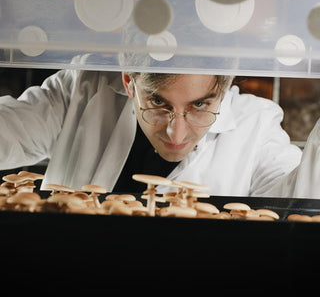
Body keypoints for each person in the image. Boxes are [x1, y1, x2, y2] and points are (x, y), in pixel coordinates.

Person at [0, 54, 313, 198]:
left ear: (226, 84)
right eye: (158, 103)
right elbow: (8, 131)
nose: (176, 134)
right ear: (128, 81)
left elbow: (300, 201)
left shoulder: (256, 126)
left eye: (200, 105)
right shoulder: (83, 91)